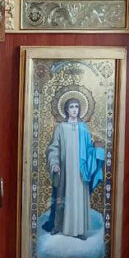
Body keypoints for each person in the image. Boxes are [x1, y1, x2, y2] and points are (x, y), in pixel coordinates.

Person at [44, 94, 104, 240]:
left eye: (77, 106)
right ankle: (58, 226)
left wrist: (96, 150)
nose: (74, 109)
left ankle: (80, 230)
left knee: (79, 199)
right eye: (71, 107)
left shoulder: (84, 128)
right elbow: (54, 148)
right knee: (62, 198)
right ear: (66, 110)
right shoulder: (61, 127)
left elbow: (88, 149)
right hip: (65, 171)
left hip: (80, 171)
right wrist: (54, 163)